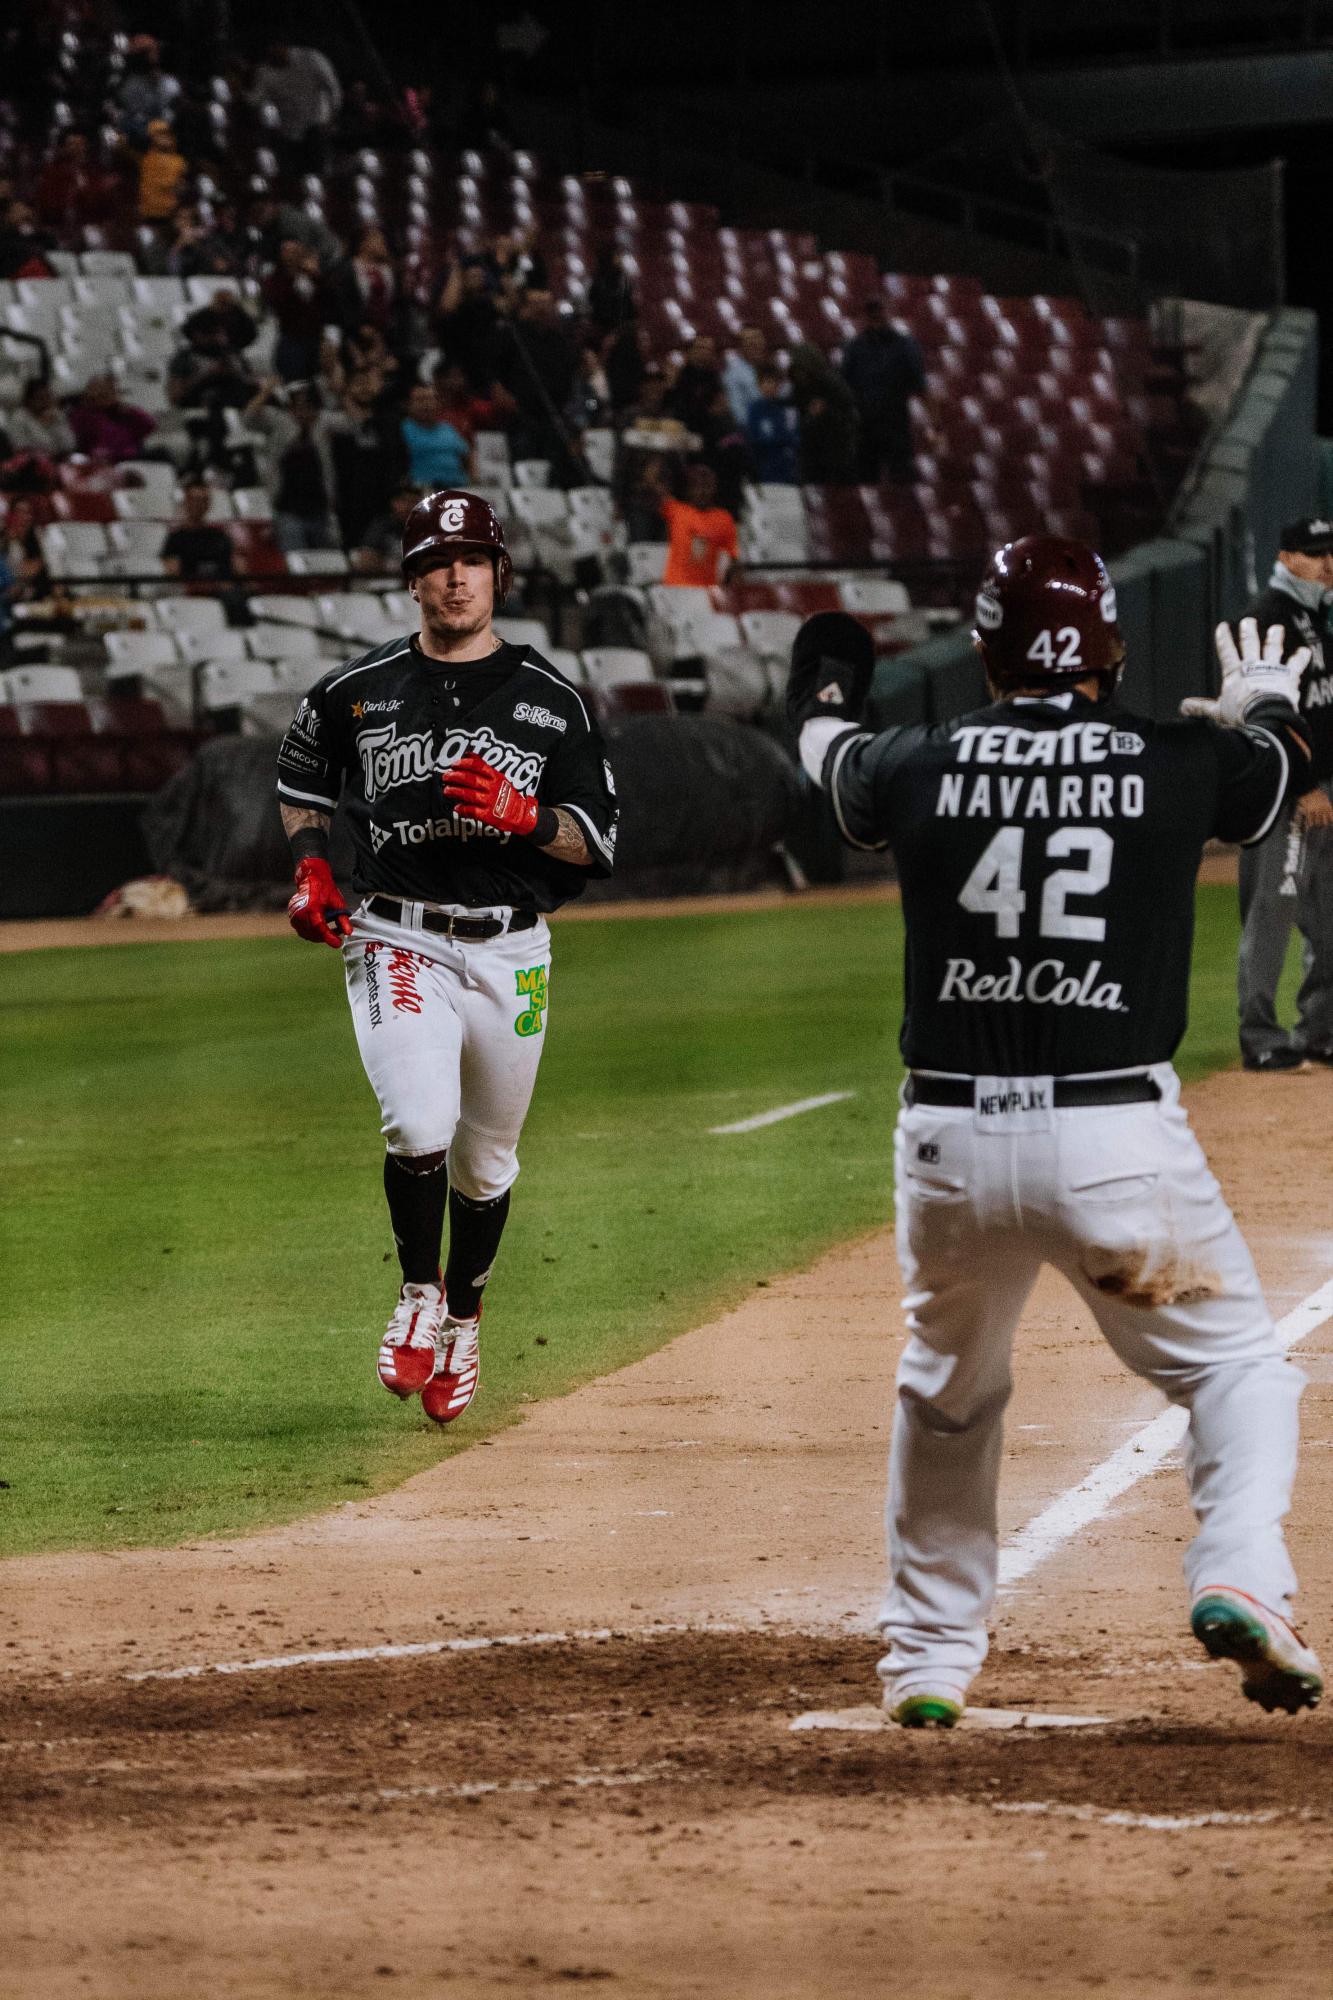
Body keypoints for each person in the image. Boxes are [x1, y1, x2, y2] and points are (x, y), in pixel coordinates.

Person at [787, 536, 1324, 1727]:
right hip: (1112, 1139)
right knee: (1237, 1367)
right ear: (1113, 648)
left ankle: (926, 1661)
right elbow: (1287, 767)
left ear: (982, 650)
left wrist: (820, 690)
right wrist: (1267, 703)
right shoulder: (1174, 759)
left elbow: (826, 757)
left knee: (947, 1392)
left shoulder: (917, 757)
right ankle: (1238, 1570)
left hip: (945, 1143)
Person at [275, 489, 618, 1423]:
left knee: (487, 1163)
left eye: (471, 560)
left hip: (512, 950)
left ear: (499, 574)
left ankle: (466, 1314)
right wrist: (311, 867)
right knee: (418, 1124)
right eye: (435, 561)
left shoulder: (551, 702)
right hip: (396, 932)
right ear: (413, 580)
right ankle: (418, 1294)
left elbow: (599, 839)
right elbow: (300, 777)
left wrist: (528, 818)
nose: (454, 575)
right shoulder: (359, 689)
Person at [1233, 517, 1333, 1071]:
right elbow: (1264, 718)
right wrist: (1303, 784)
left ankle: (1321, 1030)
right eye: (1316, 554)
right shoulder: (1266, 620)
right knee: (1272, 912)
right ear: (1287, 557)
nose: (1328, 563)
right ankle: (1261, 1036)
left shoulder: (1315, 616)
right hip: (1291, 793)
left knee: (1330, 918)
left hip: (1326, 791)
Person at [839, 298, 926, 485]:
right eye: (872, 314)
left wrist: (934, 425)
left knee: (902, 481)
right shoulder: (854, 347)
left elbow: (920, 386)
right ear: (866, 317)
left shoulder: (905, 346)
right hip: (865, 426)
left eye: (880, 313)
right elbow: (843, 387)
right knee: (866, 480)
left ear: (888, 314)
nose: (876, 319)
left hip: (896, 425)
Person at [652, 459, 738, 587]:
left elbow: (734, 559)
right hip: (675, 588)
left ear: (714, 488)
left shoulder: (724, 518)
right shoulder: (676, 510)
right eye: (697, 486)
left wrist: (726, 588)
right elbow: (655, 488)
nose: (702, 492)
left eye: (707, 486)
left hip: (706, 592)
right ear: (689, 490)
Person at [68, 374, 155, 463]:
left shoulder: (124, 412)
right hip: (108, 460)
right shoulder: (83, 415)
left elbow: (149, 425)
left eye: (109, 391)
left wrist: (129, 411)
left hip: (132, 456)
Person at [161, 479, 235, 581]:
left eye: (204, 500)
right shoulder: (176, 537)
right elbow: (172, 570)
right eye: (195, 500)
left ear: (208, 504)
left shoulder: (220, 535)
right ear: (186, 502)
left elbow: (233, 565)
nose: (199, 505)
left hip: (222, 589)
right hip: (191, 590)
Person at [401, 383, 472, 489]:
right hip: (422, 489)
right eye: (421, 399)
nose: (427, 404)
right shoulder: (403, 429)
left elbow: (467, 456)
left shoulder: (448, 428)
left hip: (458, 486)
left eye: (431, 399)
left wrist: (473, 478)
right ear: (409, 404)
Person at [745, 365, 800, 484]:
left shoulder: (787, 409)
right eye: (767, 382)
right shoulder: (754, 409)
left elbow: (794, 437)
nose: (771, 387)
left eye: (775, 383)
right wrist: (778, 440)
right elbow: (755, 439)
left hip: (787, 467)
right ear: (759, 384)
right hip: (764, 466)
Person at [7, 379, 76, 458]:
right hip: (33, 465)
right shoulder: (19, 418)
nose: (46, 402)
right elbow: (23, 449)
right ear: (29, 400)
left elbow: (70, 445)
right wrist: (44, 425)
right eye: (41, 398)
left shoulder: (56, 414)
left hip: (61, 461)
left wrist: (55, 425)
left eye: (48, 397)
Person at [138, 120, 188, 225]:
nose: (164, 138)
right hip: (149, 212)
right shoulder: (146, 159)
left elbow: (181, 186)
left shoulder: (179, 161)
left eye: (166, 134)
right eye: (159, 135)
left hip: (170, 211)